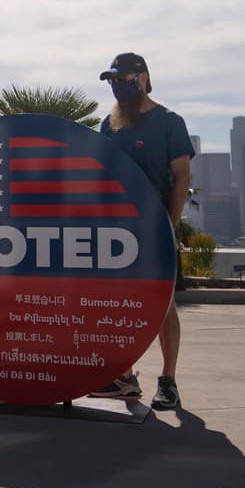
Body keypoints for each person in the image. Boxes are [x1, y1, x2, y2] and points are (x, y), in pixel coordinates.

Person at [93, 52, 194, 411]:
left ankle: (168, 381)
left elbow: (181, 176)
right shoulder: (110, 124)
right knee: (116, 305)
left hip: (157, 231)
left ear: (142, 78)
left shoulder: (169, 122)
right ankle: (123, 376)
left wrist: (171, 222)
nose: (116, 86)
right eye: (111, 81)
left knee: (163, 305)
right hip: (116, 234)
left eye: (122, 79)